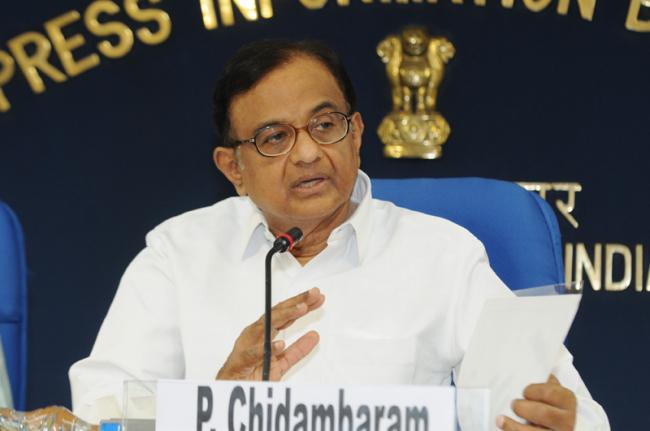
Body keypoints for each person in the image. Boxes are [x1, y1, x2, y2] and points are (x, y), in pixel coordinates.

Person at [69, 39, 609, 430]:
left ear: (356, 135)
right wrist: (211, 403)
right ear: (233, 168)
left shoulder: (443, 255)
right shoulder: (178, 254)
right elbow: (100, 412)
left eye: (325, 125)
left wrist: (556, 421)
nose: (308, 152)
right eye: (274, 137)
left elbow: (572, 411)